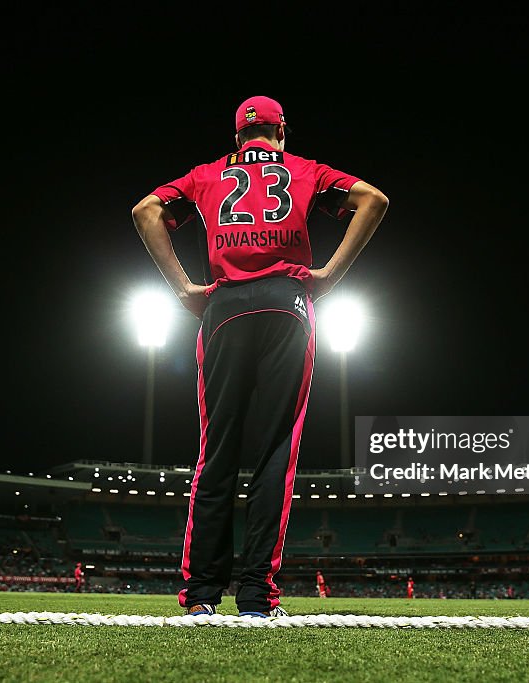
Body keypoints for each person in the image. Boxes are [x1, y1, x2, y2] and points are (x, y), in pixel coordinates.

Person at [132, 96, 388, 618]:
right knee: (275, 452)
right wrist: (331, 276)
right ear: (282, 132)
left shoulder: (207, 175)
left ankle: (201, 595)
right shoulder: (304, 170)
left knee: (217, 450)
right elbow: (374, 200)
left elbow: (146, 210)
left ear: (237, 138)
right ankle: (256, 597)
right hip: (288, 303)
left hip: (223, 306)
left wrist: (182, 288)